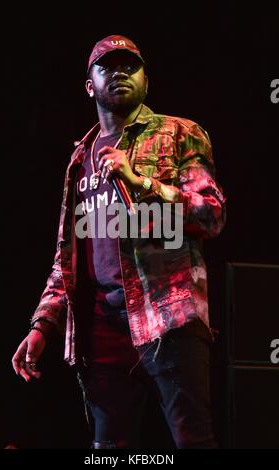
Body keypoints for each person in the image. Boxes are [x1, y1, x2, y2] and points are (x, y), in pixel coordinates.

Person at [12, 35, 226, 449]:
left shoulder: (179, 133)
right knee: (108, 450)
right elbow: (68, 255)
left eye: (131, 66)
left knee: (193, 440)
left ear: (147, 80)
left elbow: (212, 214)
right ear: (89, 85)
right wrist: (43, 324)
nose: (120, 73)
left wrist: (142, 182)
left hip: (169, 318)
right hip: (101, 328)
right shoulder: (81, 157)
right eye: (107, 66)